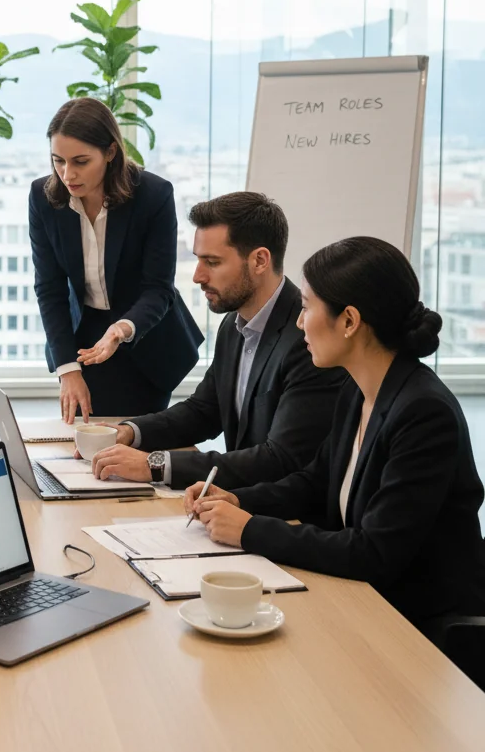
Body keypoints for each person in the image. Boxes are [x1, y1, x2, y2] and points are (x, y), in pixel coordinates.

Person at [189, 237, 485, 637]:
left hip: (418, 628)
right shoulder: (356, 390)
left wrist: (248, 528)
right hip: (362, 602)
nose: (298, 322)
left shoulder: (423, 413)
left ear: (348, 321)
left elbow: (374, 552)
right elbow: (313, 482)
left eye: (307, 307)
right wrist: (237, 499)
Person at [90, 192, 347, 489]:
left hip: (286, 517)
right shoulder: (233, 324)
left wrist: (156, 465)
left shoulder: (307, 339)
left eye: (212, 262)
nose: (198, 276)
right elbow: (205, 411)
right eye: (198, 260)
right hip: (237, 503)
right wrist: (130, 432)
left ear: (260, 260)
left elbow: (280, 459)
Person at [28, 97, 203, 421]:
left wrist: (120, 330)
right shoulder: (44, 197)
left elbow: (158, 289)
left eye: (81, 161)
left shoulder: (153, 195)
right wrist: (67, 369)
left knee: (135, 441)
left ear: (110, 152)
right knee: (85, 437)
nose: (68, 174)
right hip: (84, 336)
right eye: (58, 161)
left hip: (144, 334)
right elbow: (49, 289)